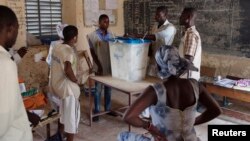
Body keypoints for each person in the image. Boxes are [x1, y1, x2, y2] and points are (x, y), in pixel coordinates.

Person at [118, 45, 222, 141]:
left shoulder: (155, 91)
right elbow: (216, 110)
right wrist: (192, 123)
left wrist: (149, 126)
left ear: (158, 67)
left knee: (122, 136)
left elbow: (128, 116)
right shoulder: (195, 85)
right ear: (178, 63)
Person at [0, 5, 32, 141]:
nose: (16, 35)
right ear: (10, 29)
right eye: (17, 29)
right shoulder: (5, 63)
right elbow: (3, 117)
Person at [128, 6, 176, 77]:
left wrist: (137, 35)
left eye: (158, 15)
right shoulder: (155, 25)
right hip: (152, 60)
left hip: (162, 61)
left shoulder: (170, 28)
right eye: (155, 14)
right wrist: (149, 48)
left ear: (165, 15)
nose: (155, 17)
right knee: (149, 80)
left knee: (160, 82)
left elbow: (155, 37)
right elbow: (151, 40)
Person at [50, 25, 80, 141]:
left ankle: (60, 136)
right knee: (72, 119)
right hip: (68, 90)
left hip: (58, 87)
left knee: (63, 113)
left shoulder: (57, 47)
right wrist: (75, 80)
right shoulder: (69, 51)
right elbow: (68, 69)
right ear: (75, 37)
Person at [87, 14, 114, 121]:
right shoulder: (92, 36)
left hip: (109, 64)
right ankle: (97, 111)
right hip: (99, 65)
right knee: (98, 89)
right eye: (104, 22)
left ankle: (108, 109)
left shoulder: (111, 34)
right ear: (99, 23)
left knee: (109, 88)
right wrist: (99, 65)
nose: (106, 24)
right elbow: (92, 53)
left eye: (108, 22)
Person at [45, 22, 68, 112]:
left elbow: (49, 61)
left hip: (55, 74)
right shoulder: (69, 44)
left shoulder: (54, 44)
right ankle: (64, 113)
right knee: (64, 95)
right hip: (65, 74)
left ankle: (58, 113)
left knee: (54, 94)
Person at [179, 7, 201, 81]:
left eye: (182, 15)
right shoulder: (188, 33)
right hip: (186, 78)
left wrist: (175, 76)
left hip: (187, 79)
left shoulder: (191, 35)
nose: (180, 17)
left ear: (188, 17)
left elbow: (188, 63)